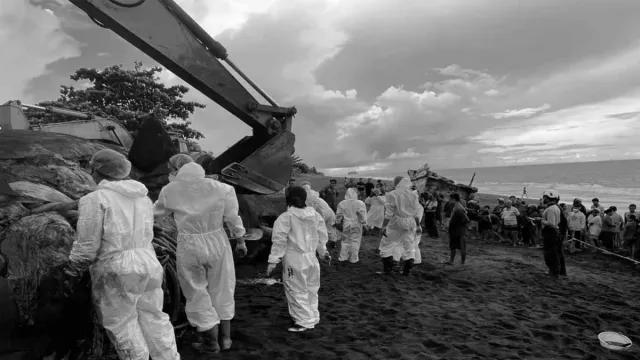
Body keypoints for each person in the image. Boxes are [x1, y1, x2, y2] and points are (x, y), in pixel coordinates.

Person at [64, 149, 180, 360]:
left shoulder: (95, 199)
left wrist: (72, 270)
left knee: (123, 324)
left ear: (96, 171)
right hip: (148, 263)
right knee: (155, 318)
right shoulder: (142, 197)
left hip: (117, 268)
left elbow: (88, 244)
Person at [153, 154, 246, 353]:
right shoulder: (222, 188)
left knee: (196, 291)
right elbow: (232, 217)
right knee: (222, 288)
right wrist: (240, 240)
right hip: (217, 240)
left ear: (176, 168)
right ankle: (226, 339)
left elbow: (154, 213)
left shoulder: (170, 190)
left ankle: (210, 342)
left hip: (189, 243)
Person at [266, 186, 331, 332]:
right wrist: (323, 253)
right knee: (311, 289)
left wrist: (273, 260)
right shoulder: (314, 215)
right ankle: (312, 316)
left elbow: (279, 240)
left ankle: (303, 321)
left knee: (296, 289)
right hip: (312, 258)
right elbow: (322, 237)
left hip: (294, 259)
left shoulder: (285, 217)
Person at [377, 177, 421, 275]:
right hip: (411, 222)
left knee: (386, 244)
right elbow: (416, 213)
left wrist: (384, 226)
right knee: (409, 246)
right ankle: (406, 272)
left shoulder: (393, 194)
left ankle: (387, 270)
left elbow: (389, 213)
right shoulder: (414, 195)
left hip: (396, 222)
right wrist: (417, 226)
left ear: (397, 183)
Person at [301, 182, 338, 248]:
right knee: (330, 227)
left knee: (318, 229)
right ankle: (333, 242)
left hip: (320, 213)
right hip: (329, 212)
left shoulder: (304, 196)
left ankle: (320, 245)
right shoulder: (314, 194)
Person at [336, 188, 368, 263]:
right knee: (355, 241)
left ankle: (343, 257)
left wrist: (338, 222)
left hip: (346, 224)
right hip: (356, 224)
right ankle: (353, 259)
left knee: (345, 241)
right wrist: (365, 224)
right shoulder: (360, 203)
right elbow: (361, 215)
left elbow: (338, 215)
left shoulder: (342, 203)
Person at [540, 190, 567, 277]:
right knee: (558, 253)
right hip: (557, 233)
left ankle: (554, 271)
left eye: (545, 197)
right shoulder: (557, 207)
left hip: (552, 233)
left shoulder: (551, 209)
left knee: (551, 253)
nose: (543, 199)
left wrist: (540, 220)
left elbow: (552, 223)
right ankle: (561, 272)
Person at [445, 193, 469, 265]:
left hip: (459, 231)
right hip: (454, 230)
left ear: (454, 199)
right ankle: (451, 261)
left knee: (462, 247)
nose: (449, 200)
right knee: (453, 246)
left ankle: (462, 263)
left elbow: (466, 220)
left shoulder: (459, 208)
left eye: (450, 199)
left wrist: (461, 228)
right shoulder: (456, 207)